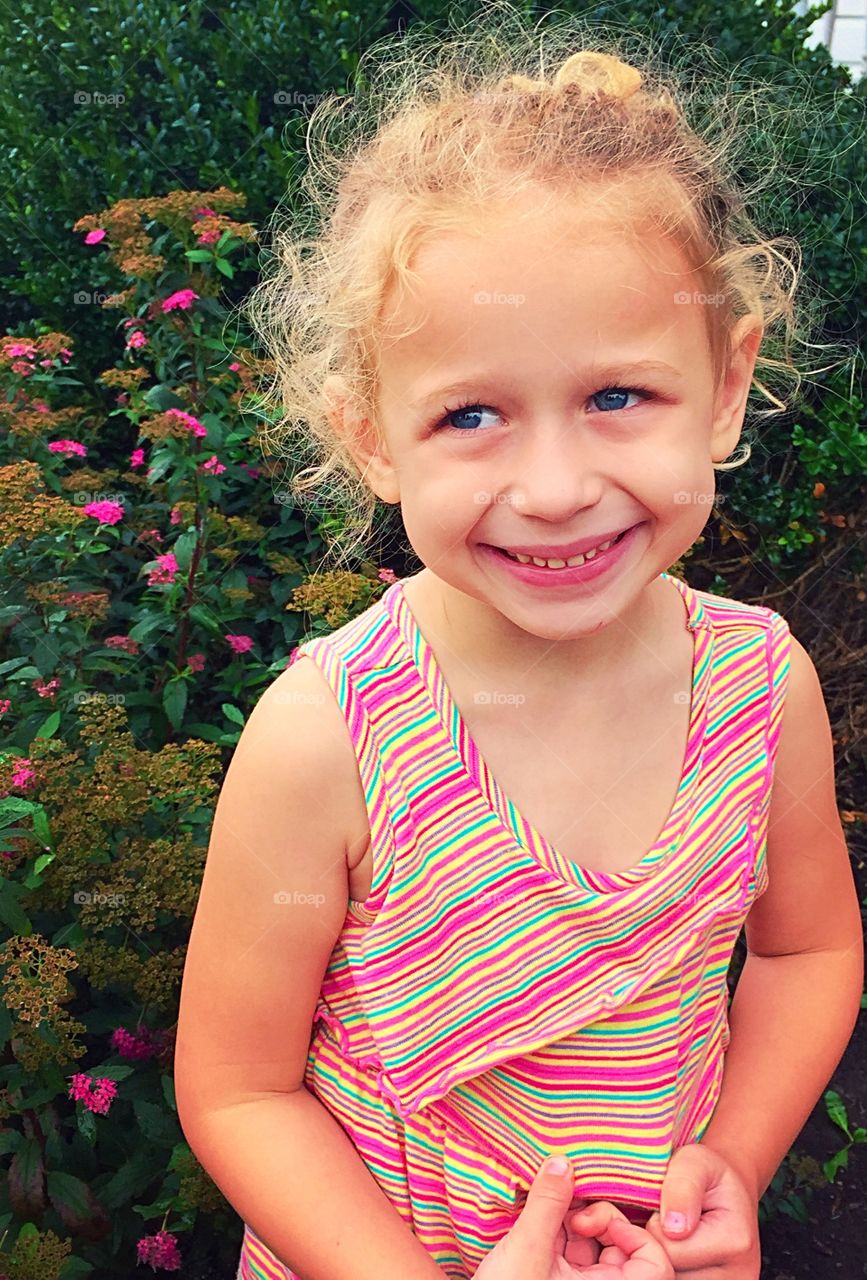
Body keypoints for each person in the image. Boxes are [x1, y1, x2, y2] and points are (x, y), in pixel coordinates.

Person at [173, 6, 864, 1279]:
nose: (552, 486)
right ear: (373, 435)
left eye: (617, 395)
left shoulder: (763, 686)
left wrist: (739, 1158)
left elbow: (809, 945)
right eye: (472, 412)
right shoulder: (331, 733)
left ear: (723, 387)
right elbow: (236, 1089)